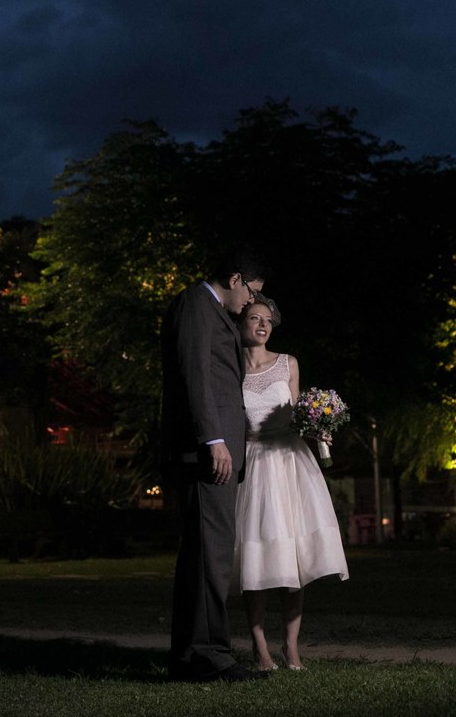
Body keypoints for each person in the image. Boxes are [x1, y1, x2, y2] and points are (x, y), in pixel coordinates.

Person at [161, 247, 270, 683]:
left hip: (213, 452)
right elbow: (195, 374)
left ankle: (191, 655)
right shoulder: (196, 305)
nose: (250, 303)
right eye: (252, 292)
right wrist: (214, 438)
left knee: (206, 555)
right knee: (211, 555)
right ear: (236, 278)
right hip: (206, 454)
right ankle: (210, 655)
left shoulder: (212, 312)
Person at [233, 294, 349, 671]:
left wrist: (320, 427)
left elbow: (299, 412)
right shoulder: (231, 370)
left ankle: (292, 647)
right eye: (254, 317)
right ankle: (259, 648)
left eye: (268, 319)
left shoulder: (288, 364)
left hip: (291, 463)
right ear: (241, 323)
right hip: (254, 467)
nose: (263, 324)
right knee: (258, 561)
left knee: (294, 561)